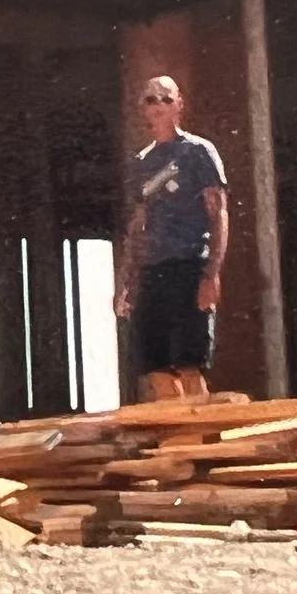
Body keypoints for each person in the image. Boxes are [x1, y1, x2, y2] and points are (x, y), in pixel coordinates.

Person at [113, 74, 229, 399]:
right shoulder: (142, 163)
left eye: (166, 98)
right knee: (155, 366)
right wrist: (125, 280)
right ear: (143, 107)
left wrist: (212, 273)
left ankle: (201, 427)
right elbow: (138, 224)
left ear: (180, 104)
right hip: (153, 270)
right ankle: (179, 426)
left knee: (189, 363)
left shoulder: (199, 152)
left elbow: (218, 212)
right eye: (151, 99)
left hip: (190, 263)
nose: (159, 105)